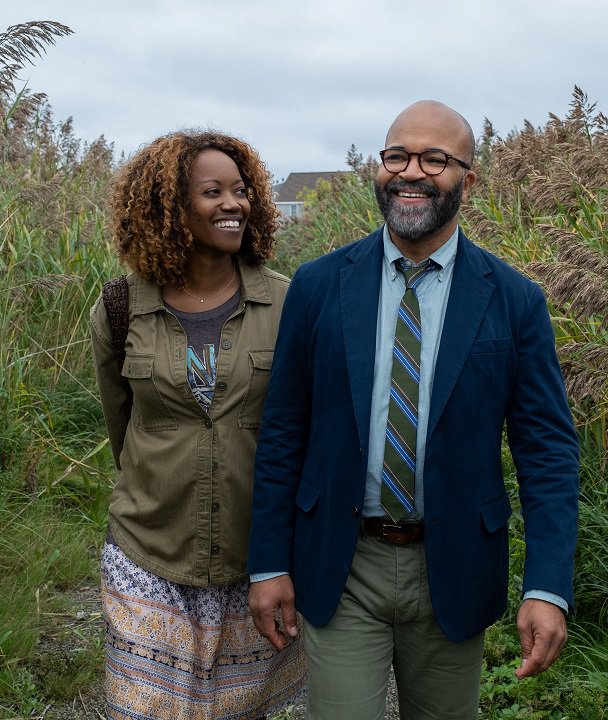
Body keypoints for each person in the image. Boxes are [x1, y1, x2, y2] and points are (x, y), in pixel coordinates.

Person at [247, 100, 580, 720]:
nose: (411, 172)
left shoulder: (513, 301)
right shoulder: (319, 285)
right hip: (342, 562)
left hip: (453, 564)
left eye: (435, 158)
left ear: (467, 180)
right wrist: (267, 562)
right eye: (397, 155)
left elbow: (547, 452)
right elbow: (284, 430)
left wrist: (546, 585)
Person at [90, 130, 306, 720]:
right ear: (169, 206)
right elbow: (123, 425)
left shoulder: (290, 305)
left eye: (241, 191)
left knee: (238, 711)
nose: (232, 203)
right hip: (147, 550)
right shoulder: (119, 307)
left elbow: (302, 431)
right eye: (213, 192)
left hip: (252, 557)